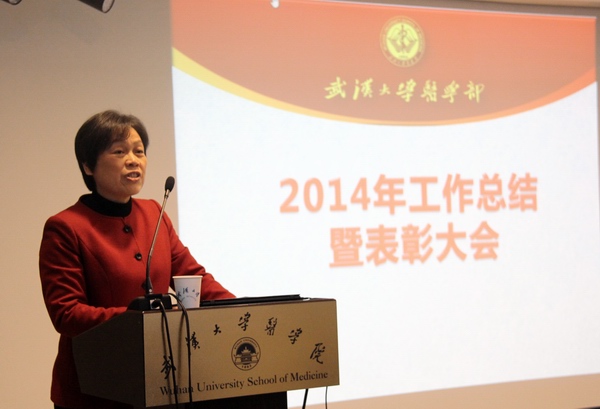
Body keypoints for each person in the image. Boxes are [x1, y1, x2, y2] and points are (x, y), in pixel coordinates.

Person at [39, 110, 235, 409]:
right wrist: (135, 318)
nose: (133, 160)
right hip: (95, 388)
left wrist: (240, 309)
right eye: (119, 152)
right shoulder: (66, 227)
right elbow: (66, 313)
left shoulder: (154, 213)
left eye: (139, 151)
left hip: (160, 382)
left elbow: (193, 277)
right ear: (88, 165)